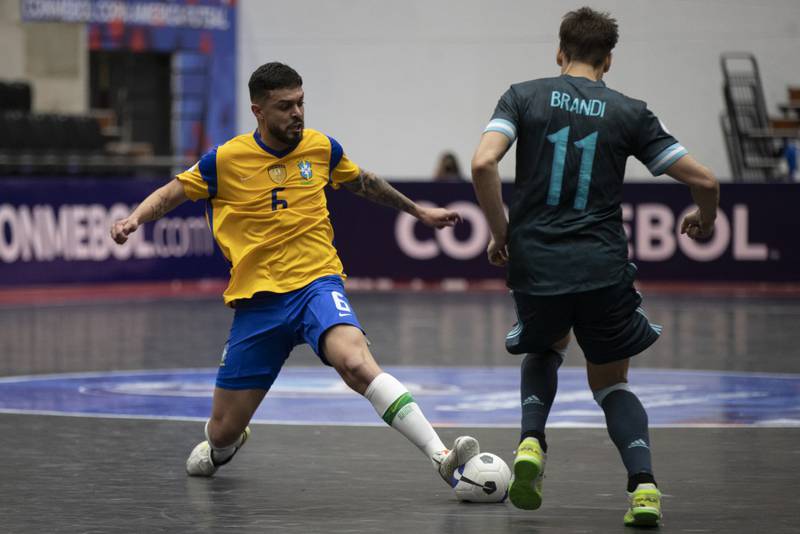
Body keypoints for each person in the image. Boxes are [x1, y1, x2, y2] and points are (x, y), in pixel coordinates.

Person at [110, 62, 479, 490]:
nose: (298, 113)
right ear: (258, 111)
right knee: (222, 429)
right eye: (285, 106)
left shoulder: (321, 148)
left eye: (301, 103)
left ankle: (441, 457)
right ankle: (223, 448)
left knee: (356, 363)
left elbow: (364, 181)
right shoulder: (225, 160)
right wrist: (134, 218)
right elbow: (173, 191)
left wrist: (419, 211)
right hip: (258, 304)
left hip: (316, 284)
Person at [470, 7, 719, 527]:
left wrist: (501, 233)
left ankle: (532, 443)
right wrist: (705, 217)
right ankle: (644, 487)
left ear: (559, 53)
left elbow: (482, 163)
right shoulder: (630, 112)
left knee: (545, 346)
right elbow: (706, 182)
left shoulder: (522, 96)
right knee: (611, 384)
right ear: (608, 60)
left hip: (536, 262)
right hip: (602, 266)